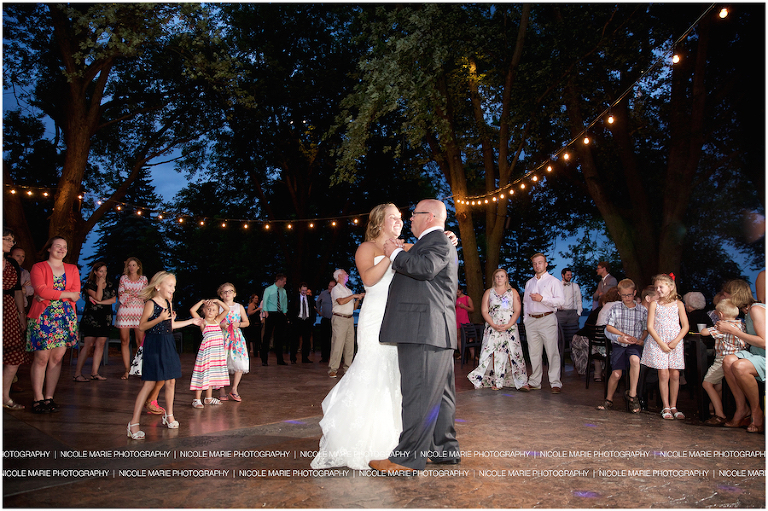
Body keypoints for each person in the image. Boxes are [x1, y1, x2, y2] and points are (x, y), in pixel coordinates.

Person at [311, 203, 405, 469]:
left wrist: (445, 238)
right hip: (374, 316)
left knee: (394, 374)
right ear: (379, 221)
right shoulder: (367, 248)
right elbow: (370, 279)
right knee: (373, 367)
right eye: (393, 218)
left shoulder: (403, 246)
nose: (399, 221)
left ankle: (397, 439)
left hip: (397, 317)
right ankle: (362, 440)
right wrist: (390, 254)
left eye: (400, 217)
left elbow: (427, 252)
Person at [370, 199, 460, 475]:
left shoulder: (439, 241)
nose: (410, 219)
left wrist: (394, 254)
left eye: (414, 214)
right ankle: (444, 450)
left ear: (429, 217)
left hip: (424, 329)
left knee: (418, 395)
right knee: (441, 396)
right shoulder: (436, 241)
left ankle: (406, 459)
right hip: (433, 331)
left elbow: (425, 268)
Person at [126, 272, 202, 439]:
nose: (173, 289)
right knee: (148, 384)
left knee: (171, 381)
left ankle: (169, 416)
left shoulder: (168, 302)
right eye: (170, 285)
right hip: (154, 345)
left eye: (174, 286)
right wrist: (159, 318)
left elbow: (170, 325)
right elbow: (142, 326)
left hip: (168, 343)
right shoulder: (150, 303)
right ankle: (133, 423)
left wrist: (191, 321)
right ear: (158, 286)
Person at [26, 236, 80, 414]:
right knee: (41, 358)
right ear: (49, 248)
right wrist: (65, 294)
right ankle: (37, 398)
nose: (61, 249)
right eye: (58, 246)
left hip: (65, 318)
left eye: (64, 247)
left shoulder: (72, 269)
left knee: (57, 359)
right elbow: (40, 290)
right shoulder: (38, 267)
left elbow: (76, 294)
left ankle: (49, 397)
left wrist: (51, 294)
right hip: (43, 317)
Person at [467, 268, 529, 391]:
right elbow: (484, 311)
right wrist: (493, 325)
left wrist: (509, 325)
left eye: (502, 276)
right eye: (497, 276)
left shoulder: (513, 292)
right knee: (492, 353)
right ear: (494, 279)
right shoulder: (489, 292)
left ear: (506, 278)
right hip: (493, 326)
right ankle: (496, 380)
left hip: (509, 327)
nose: (499, 278)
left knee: (514, 353)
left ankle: (521, 381)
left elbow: (517, 310)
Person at [718, 280, 765, 433]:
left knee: (740, 366)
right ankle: (741, 409)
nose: (722, 299)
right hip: (757, 353)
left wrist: (734, 331)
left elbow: (765, 342)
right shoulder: (747, 311)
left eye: (725, 295)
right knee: (728, 360)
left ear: (734, 296)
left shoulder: (756, 309)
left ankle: (756, 411)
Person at [641, 273, 689, 420]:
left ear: (670, 287)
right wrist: (661, 343)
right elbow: (650, 326)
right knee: (663, 374)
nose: (659, 289)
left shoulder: (678, 304)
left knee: (675, 374)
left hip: (674, 343)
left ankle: (674, 406)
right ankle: (666, 406)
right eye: (656, 287)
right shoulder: (654, 304)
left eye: (661, 287)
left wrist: (675, 341)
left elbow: (685, 326)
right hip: (658, 343)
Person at [596, 279, 647, 413]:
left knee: (635, 360)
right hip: (619, 344)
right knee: (616, 374)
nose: (627, 298)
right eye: (624, 295)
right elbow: (609, 327)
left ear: (635, 293)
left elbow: (646, 328)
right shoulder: (615, 308)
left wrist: (641, 339)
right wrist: (622, 336)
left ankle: (632, 395)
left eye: (630, 295)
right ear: (619, 294)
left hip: (634, 344)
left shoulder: (642, 310)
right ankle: (609, 399)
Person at [522, 253, 565, 393]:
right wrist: (525, 319)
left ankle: (555, 383)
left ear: (546, 264)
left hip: (547, 318)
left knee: (552, 351)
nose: (537, 265)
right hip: (531, 320)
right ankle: (535, 381)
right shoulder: (529, 283)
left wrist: (543, 299)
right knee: (534, 352)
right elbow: (525, 303)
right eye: (534, 263)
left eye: (540, 262)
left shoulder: (554, 281)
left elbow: (560, 302)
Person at [699, 299, 746, 426]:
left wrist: (709, 327)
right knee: (718, 385)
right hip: (738, 358)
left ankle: (720, 414)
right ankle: (713, 408)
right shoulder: (741, 325)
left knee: (707, 383)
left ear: (720, 314)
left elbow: (704, 332)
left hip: (722, 360)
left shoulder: (722, 326)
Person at [74, 262, 116, 382]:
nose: (104, 274)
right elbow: (98, 296)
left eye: (105, 271)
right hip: (91, 317)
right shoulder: (89, 284)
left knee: (101, 344)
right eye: (101, 271)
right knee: (88, 345)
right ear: (96, 272)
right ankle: (77, 373)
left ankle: (94, 372)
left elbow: (113, 299)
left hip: (105, 316)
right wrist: (100, 286)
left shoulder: (110, 284)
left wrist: (101, 303)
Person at [3, 229, 28, 410]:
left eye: (13, 239)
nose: (11, 242)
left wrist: (21, 315)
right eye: (7, 239)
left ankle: (4, 397)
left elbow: (18, 290)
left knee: (13, 355)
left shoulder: (11, 263)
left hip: (9, 308)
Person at [189, 299, 230, 408]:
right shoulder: (203, 322)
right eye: (208, 309)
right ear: (204, 310)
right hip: (207, 353)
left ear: (217, 312)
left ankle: (208, 398)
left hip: (217, 354)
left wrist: (217, 301)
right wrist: (202, 302)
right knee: (202, 374)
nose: (211, 311)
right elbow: (192, 310)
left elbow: (227, 309)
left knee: (212, 374)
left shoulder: (217, 321)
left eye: (213, 310)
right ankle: (197, 399)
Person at [216, 283, 249, 402]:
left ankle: (234, 389)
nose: (227, 293)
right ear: (221, 295)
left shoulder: (238, 307)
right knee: (222, 362)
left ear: (234, 294)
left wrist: (238, 324)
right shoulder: (218, 307)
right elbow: (212, 322)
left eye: (230, 291)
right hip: (223, 337)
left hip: (236, 337)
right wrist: (221, 325)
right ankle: (222, 390)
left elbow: (246, 322)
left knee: (239, 361)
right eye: (224, 292)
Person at [327, 269, 363, 378]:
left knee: (350, 345)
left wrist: (358, 299)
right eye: (345, 273)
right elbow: (341, 301)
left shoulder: (348, 290)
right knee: (338, 344)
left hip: (349, 318)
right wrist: (354, 296)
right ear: (340, 276)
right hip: (339, 318)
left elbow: (354, 307)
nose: (347, 275)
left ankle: (348, 368)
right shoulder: (335, 289)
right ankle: (333, 369)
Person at [116, 257, 147, 380]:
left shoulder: (143, 279)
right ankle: (127, 369)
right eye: (129, 265)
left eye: (134, 265)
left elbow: (144, 295)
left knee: (140, 341)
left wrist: (129, 292)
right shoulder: (123, 278)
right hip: (125, 312)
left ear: (138, 267)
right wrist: (135, 294)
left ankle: (139, 368)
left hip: (139, 312)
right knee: (124, 340)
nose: (131, 267)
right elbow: (121, 297)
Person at [261, 274, 288, 366]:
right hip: (271, 313)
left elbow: (284, 302)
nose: (285, 283)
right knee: (267, 336)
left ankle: (280, 359)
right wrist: (265, 311)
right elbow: (265, 300)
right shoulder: (268, 289)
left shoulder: (283, 291)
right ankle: (264, 359)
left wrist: (284, 312)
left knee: (279, 337)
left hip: (280, 314)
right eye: (284, 281)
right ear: (279, 281)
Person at [290, 282, 315, 363]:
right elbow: (291, 309)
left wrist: (311, 320)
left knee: (306, 341)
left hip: (307, 321)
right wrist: (292, 320)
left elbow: (312, 310)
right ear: (299, 289)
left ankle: (305, 358)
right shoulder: (295, 298)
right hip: (298, 321)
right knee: (295, 340)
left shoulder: (310, 299)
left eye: (305, 290)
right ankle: (293, 358)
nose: (304, 292)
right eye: (302, 290)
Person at [557, 267, 582, 345]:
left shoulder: (575, 286)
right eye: (568, 275)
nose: (570, 276)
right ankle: (560, 353)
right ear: (562, 275)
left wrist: (578, 313)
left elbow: (579, 300)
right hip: (560, 313)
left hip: (572, 313)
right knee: (559, 335)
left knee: (574, 335)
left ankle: (574, 352)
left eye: (570, 275)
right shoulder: (557, 285)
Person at [315, 280, 336, 363]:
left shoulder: (337, 294)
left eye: (332, 286)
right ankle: (324, 357)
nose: (330, 288)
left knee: (334, 339)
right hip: (325, 319)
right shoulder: (323, 293)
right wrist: (319, 311)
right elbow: (317, 302)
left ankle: (335, 358)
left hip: (335, 319)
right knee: (324, 339)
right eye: (329, 286)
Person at [455, 287, 475, 359]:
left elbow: (472, 309)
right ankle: (462, 354)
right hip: (457, 320)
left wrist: (464, 307)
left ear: (461, 291)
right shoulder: (455, 299)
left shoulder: (467, 298)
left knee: (469, 337)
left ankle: (473, 355)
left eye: (458, 292)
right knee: (458, 337)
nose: (457, 293)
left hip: (465, 320)